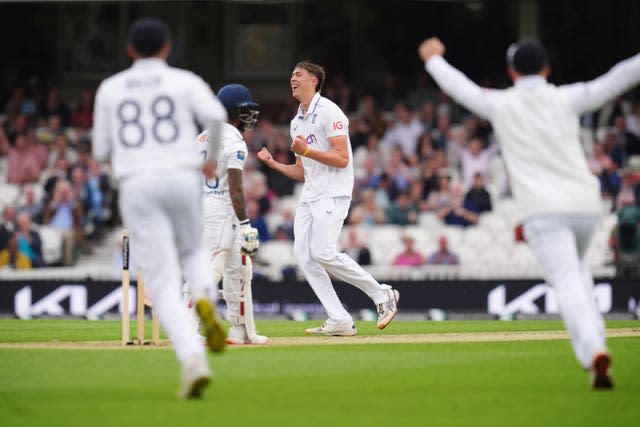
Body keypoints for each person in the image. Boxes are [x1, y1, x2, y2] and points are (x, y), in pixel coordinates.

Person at [419, 36, 640, 389]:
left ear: (510, 71)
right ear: (547, 68)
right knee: (579, 272)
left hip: (542, 209)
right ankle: (595, 339)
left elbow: (461, 88)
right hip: (585, 205)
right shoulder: (567, 97)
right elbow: (619, 76)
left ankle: (594, 350)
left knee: (567, 280)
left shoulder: (501, 104)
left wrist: (433, 60)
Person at [92, 17, 228, 399]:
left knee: (162, 281)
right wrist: (210, 159)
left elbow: (101, 150)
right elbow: (217, 116)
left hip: (137, 183)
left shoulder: (110, 88)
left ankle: (194, 360)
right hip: (183, 175)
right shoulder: (185, 81)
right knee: (193, 250)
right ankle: (205, 297)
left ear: (130, 50)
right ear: (167, 47)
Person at [257, 60, 399, 336]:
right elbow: (301, 171)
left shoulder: (330, 111)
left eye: (298, 74)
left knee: (323, 252)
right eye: (291, 75)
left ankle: (382, 293)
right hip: (310, 195)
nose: (292, 79)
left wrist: (307, 151)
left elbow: (342, 158)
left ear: (314, 80)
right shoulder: (296, 120)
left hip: (334, 193)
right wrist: (274, 164)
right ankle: (340, 319)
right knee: (304, 256)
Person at [196, 83, 266, 345]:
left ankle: (240, 330)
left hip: (204, 206)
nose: (250, 115)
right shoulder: (234, 140)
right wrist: (247, 225)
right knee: (210, 269)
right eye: (245, 110)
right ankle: (188, 327)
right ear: (233, 111)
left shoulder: (204, 136)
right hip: (223, 211)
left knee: (238, 271)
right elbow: (236, 189)